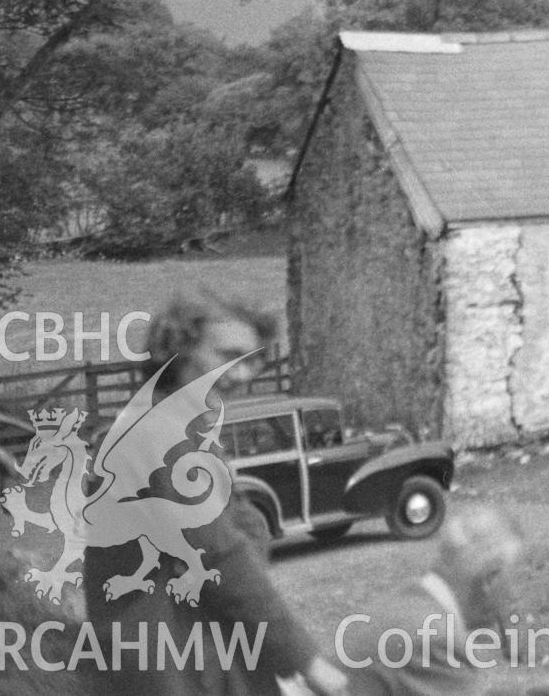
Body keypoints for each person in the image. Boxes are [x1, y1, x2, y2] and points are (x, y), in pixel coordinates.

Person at [81, 286, 349, 696]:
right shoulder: (152, 435)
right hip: (172, 668)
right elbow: (221, 557)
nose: (243, 375)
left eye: (252, 361)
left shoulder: (182, 428)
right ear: (178, 352)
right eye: (227, 357)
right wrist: (308, 661)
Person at [336, 508, 533, 696]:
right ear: (489, 579)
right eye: (513, 581)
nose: (513, 595)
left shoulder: (408, 601)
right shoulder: (437, 639)